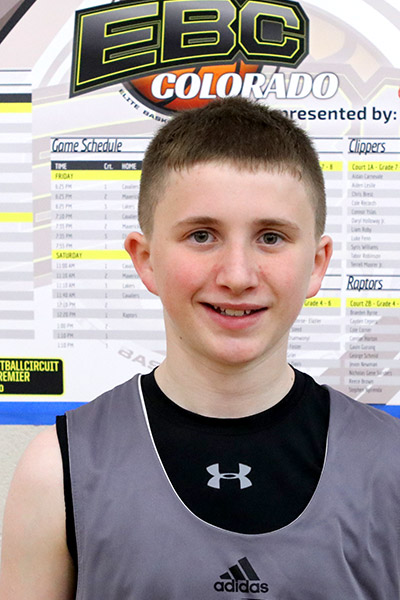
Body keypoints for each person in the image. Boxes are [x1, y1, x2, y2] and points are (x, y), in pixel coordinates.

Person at [1, 97, 399, 600]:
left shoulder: (391, 465)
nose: (237, 275)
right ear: (146, 260)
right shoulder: (58, 471)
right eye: (202, 235)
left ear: (317, 264)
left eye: (271, 237)